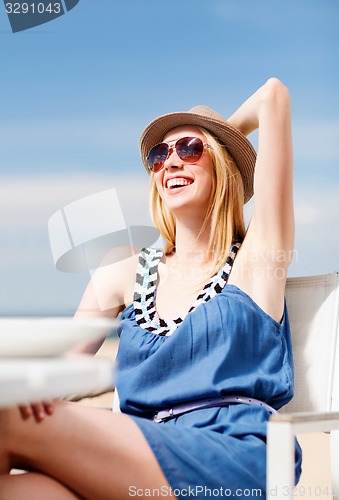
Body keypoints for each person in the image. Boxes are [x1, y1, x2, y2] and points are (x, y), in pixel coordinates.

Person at [0, 77, 302, 499]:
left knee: (7, 423)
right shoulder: (121, 274)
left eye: (190, 149)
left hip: (232, 454)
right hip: (134, 454)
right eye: (160, 155)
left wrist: (223, 139)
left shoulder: (256, 262)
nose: (171, 162)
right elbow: (54, 379)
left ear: (223, 164)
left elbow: (273, 96)